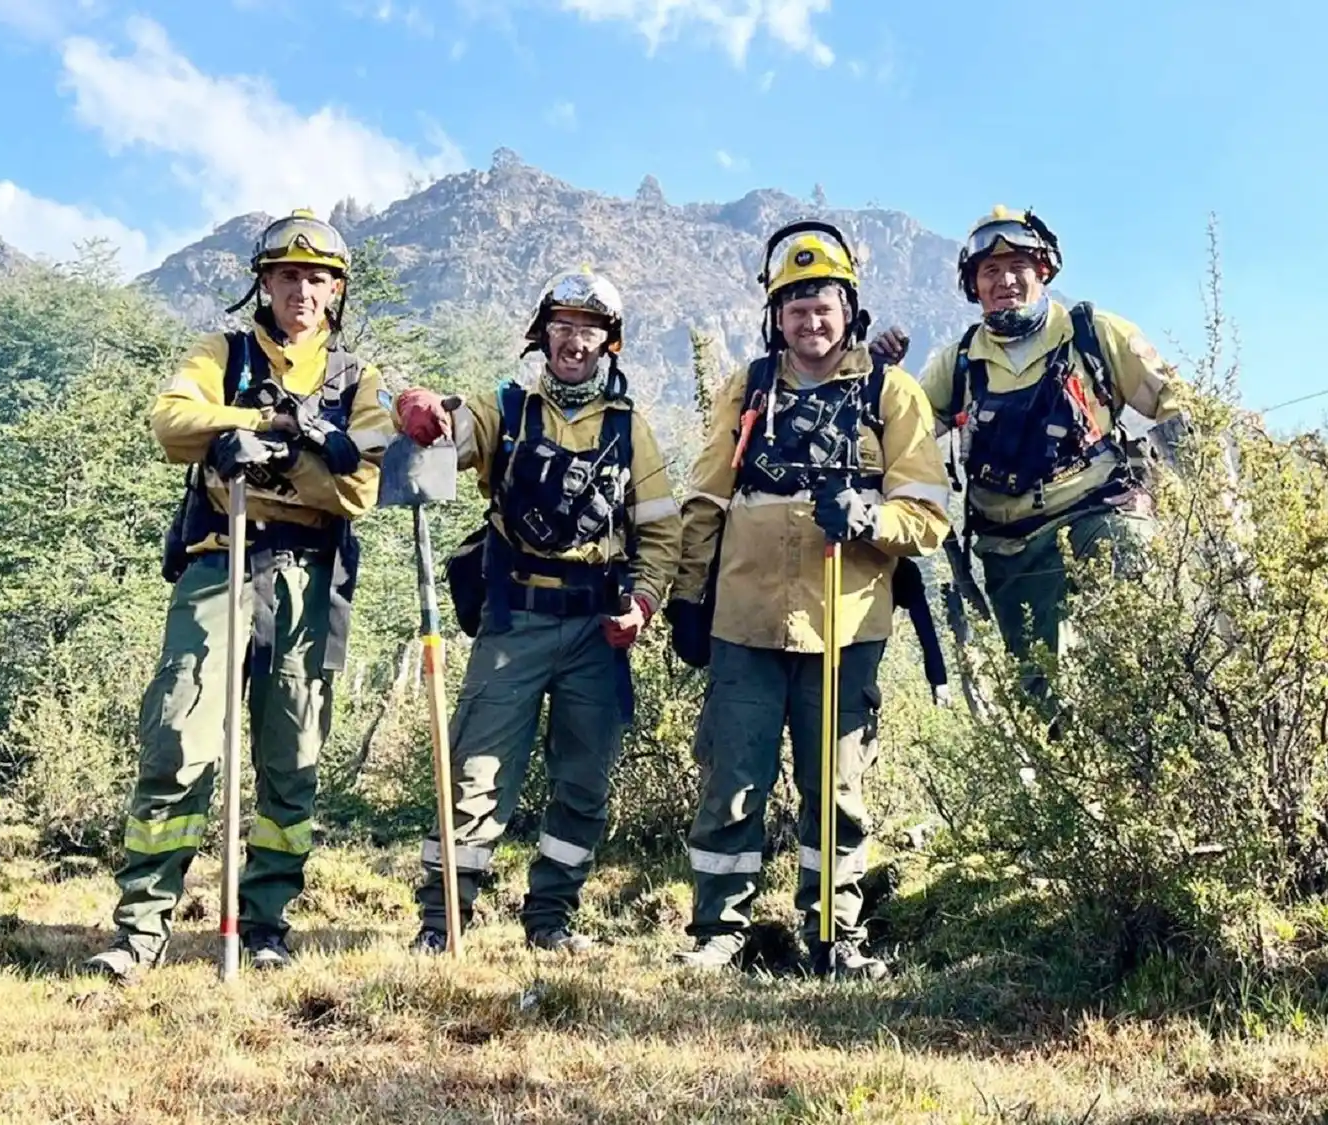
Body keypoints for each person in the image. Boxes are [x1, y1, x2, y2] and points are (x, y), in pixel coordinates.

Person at [82, 209, 395, 980]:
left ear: (338, 292)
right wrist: (248, 424)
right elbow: (172, 420)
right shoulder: (221, 352)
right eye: (287, 275)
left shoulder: (361, 380)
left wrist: (287, 451)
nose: (303, 290)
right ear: (263, 282)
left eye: (319, 278)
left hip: (306, 581)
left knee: (292, 759)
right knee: (179, 743)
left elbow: (359, 486)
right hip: (222, 561)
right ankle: (141, 930)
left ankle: (267, 924)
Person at [663, 224, 951, 976]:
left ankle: (833, 934)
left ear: (848, 307)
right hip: (745, 620)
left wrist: (870, 516)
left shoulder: (893, 394)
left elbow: (926, 514)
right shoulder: (748, 388)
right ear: (774, 315)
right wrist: (687, 596)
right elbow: (704, 496)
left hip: (846, 623)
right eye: (793, 307)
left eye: (822, 304)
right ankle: (718, 931)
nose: (808, 320)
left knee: (838, 787)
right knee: (731, 779)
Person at [392, 266, 681, 954]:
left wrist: (643, 604)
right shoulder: (507, 409)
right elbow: (451, 434)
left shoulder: (630, 429)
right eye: (562, 326)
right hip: (512, 620)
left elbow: (663, 531)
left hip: (596, 628)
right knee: (475, 773)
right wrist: (425, 413)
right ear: (541, 334)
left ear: (609, 342)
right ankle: (442, 921)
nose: (573, 341)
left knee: (583, 780)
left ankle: (551, 918)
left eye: (589, 329)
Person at [873, 206, 1186, 699]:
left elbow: (1178, 410)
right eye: (990, 271)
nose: (1005, 281)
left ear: (1043, 270)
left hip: (1096, 513)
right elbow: (899, 436)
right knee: (1046, 698)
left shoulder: (1093, 333)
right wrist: (876, 379)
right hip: (1010, 547)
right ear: (973, 286)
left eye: (1018, 266)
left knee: (1141, 622)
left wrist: (1216, 507)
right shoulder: (957, 363)